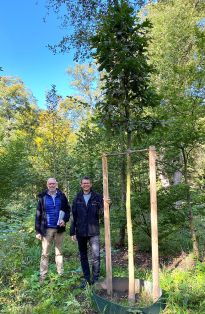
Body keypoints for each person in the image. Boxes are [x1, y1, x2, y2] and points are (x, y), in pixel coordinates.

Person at [70, 176, 103, 289]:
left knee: (96, 255)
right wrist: (72, 232)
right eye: (84, 183)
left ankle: (95, 279)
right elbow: (73, 216)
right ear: (81, 185)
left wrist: (108, 204)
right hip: (81, 232)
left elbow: (103, 211)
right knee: (83, 256)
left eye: (87, 183)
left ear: (91, 184)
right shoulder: (77, 198)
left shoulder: (97, 197)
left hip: (94, 231)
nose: (86, 185)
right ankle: (87, 279)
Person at [35, 177, 70, 282]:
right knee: (45, 253)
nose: (51, 185)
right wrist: (37, 231)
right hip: (46, 229)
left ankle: (60, 275)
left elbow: (68, 210)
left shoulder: (62, 196)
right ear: (47, 185)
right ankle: (43, 276)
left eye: (53, 184)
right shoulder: (43, 197)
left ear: (56, 184)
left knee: (59, 252)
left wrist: (64, 219)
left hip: (59, 229)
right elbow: (38, 214)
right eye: (50, 184)